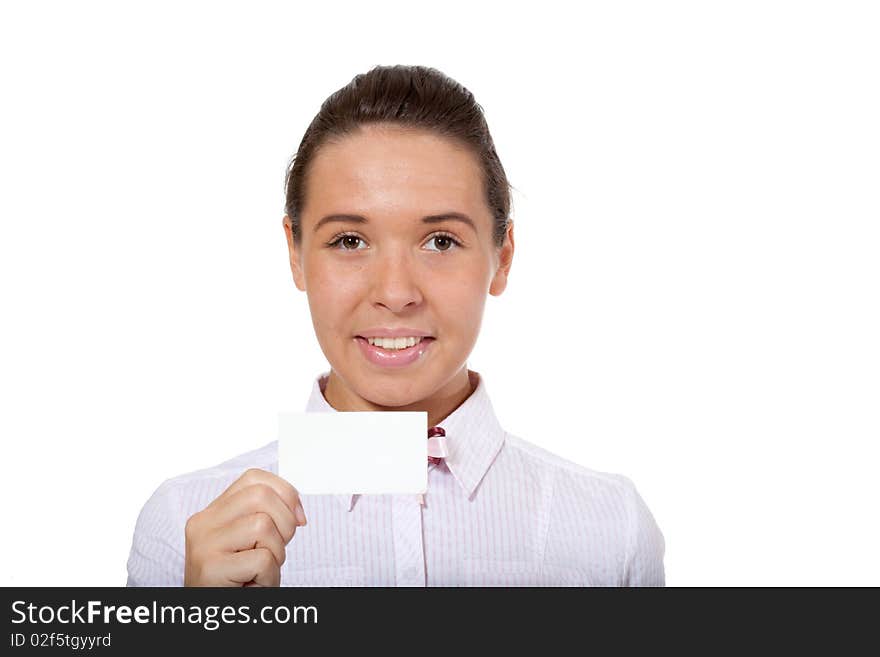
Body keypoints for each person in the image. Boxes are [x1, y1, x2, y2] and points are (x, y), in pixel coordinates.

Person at [126, 64, 665, 587]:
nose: (395, 294)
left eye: (441, 242)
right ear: (295, 254)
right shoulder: (185, 528)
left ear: (502, 257)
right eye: (349, 241)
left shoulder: (610, 530)